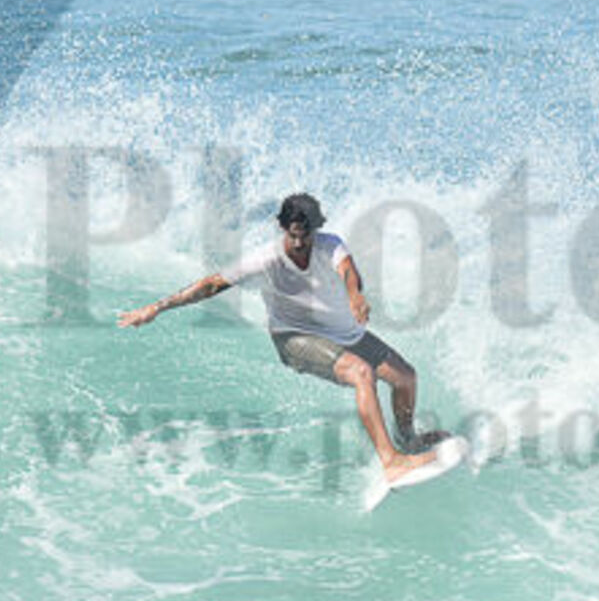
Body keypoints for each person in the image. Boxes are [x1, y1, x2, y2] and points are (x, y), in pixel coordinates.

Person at [118, 193, 445, 482]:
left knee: (406, 377)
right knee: (361, 373)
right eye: (293, 235)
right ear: (283, 228)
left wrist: (355, 295)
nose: (299, 244)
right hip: (295, 338)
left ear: (317, 228)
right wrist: (157, 307)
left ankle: (408, 441)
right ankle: (391, 462)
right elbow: (211, 284)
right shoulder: (266, 259)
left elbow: (347, 271)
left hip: (345, 333)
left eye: (306, 235)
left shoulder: (330, 244)